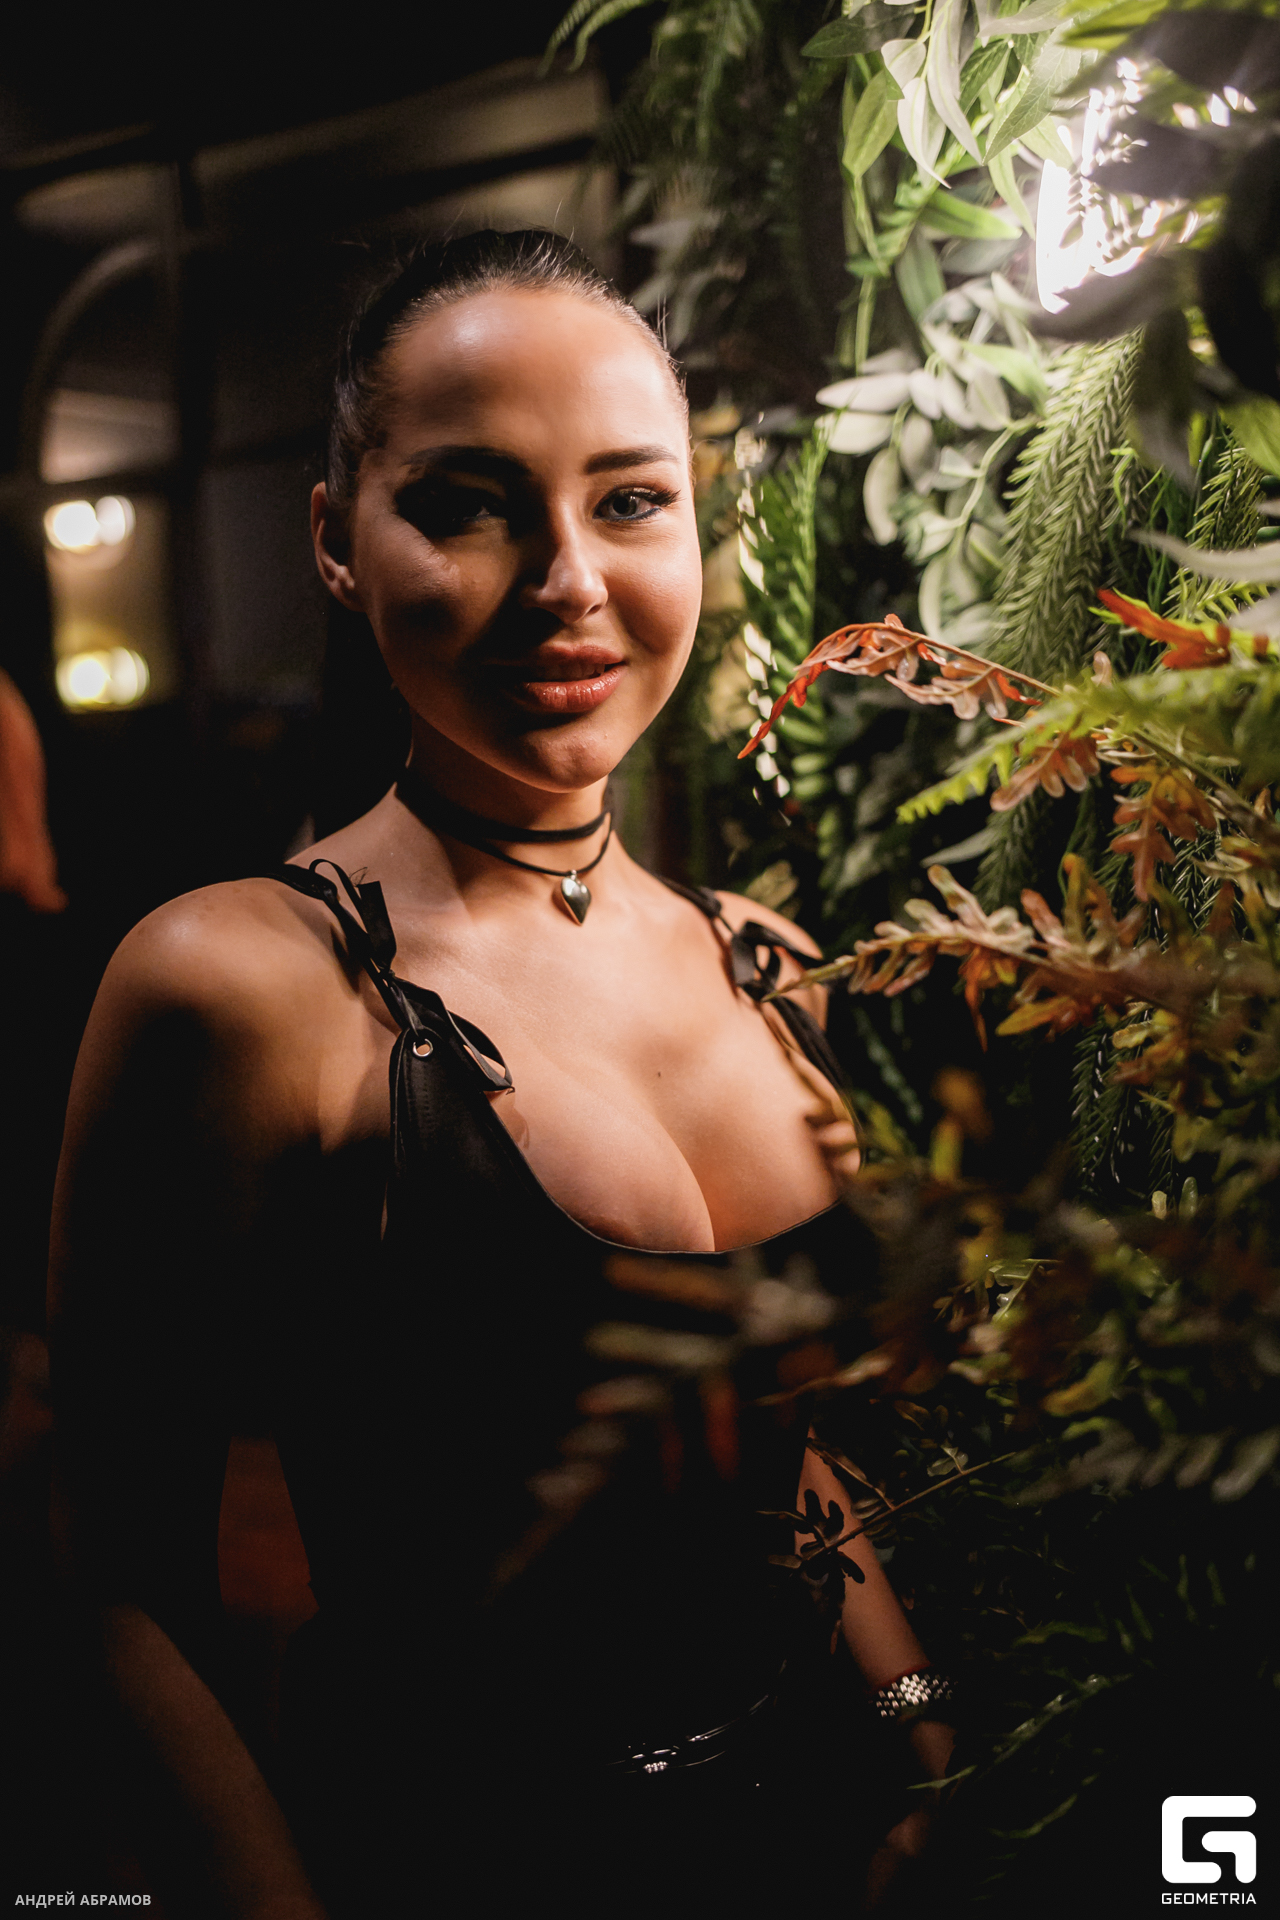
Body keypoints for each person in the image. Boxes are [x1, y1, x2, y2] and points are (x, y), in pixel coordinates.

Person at [47, 230, 954, 1919]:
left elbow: (779, 1452)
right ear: (336, 539)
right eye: (468, 506)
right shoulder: (241, 984)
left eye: (632, 500)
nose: (569, 581)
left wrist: (924, 1742)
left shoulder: (767, 965)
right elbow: (114, 1587)